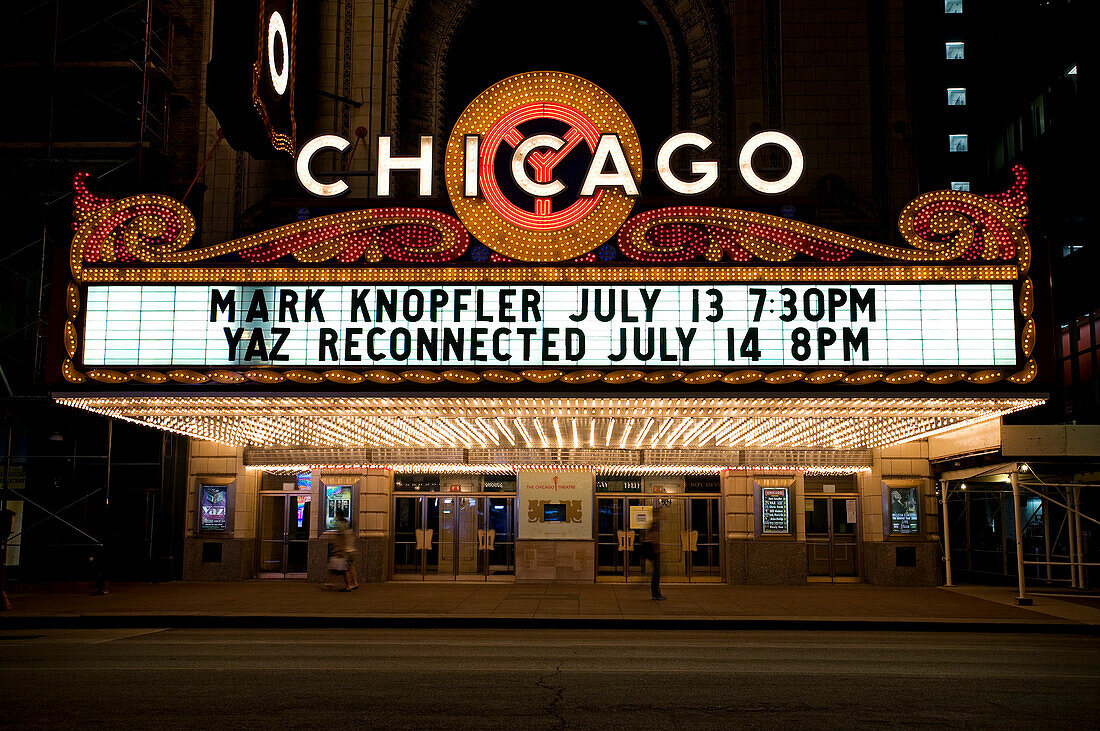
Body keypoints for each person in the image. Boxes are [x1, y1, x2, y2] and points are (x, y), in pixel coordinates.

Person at [640, 505, 664, 600]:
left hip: (653, 551)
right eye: (661, 513)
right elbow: (652, 537)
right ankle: (656, 594)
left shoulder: (654, 523)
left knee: (656, 573)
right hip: (653, 552)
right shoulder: (654, 523)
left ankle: (656, 593)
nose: (663, 515)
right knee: (656, 573)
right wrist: (657, 549)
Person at [335, 514, 359, 591]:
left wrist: (340, 550)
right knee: (351, 567)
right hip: (352, 550)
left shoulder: (343, 530)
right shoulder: (351, 531)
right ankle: (355, 583)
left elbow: (342, 541)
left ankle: (348, 585)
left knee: (344, 569)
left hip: (346, 551)